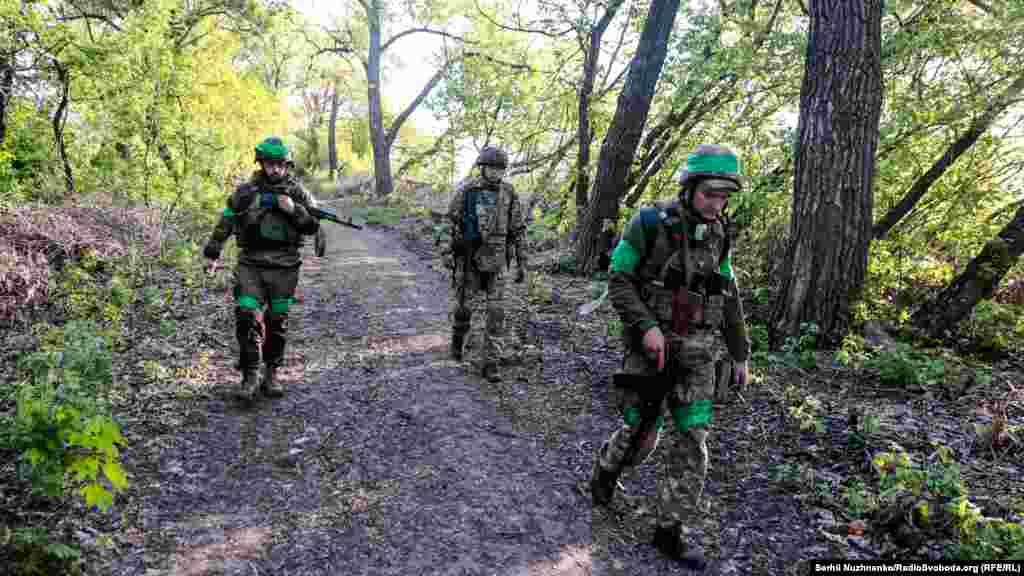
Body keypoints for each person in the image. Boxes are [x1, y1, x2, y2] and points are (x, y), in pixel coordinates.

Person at [589, 144, 751, 567]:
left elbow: (729, 296)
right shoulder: (648, 223)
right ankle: (606, 472)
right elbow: (619, 278)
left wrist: (740, 354)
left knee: (693, 440)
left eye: (724, 197)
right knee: (641, 432)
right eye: (710, 194)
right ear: (690, 187)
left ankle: (669, 530)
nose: (717, 204)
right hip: (651, 350)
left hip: (698, 352)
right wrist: (647, 328)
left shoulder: (721, 233)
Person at [202, 136, 321, 402]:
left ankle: (272, 373)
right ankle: (250, 374)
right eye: (270, 164)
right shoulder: (246, 192)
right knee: (246, 314)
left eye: (280, 164)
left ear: (287, 165)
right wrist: (212, 253)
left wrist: (294, 210)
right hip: (251, 263)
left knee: (277, 321)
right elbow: (227, 220)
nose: (275, 169)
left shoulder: (298, 192)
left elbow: (313, 226)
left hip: (285, 265)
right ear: (261, 164)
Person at [446, 145, 527, 383]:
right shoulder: (467, 191)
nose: (495, 173)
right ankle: (457, 342)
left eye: (500, 169)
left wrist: (522, 262)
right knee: (464, 309)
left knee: (496, 313)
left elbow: (518, 230)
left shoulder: (509, 193)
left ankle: (491, 363)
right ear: (482, 168)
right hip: (470, 260)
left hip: (498, 262)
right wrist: (448, 253)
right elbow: (448, 224)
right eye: (491, 168)